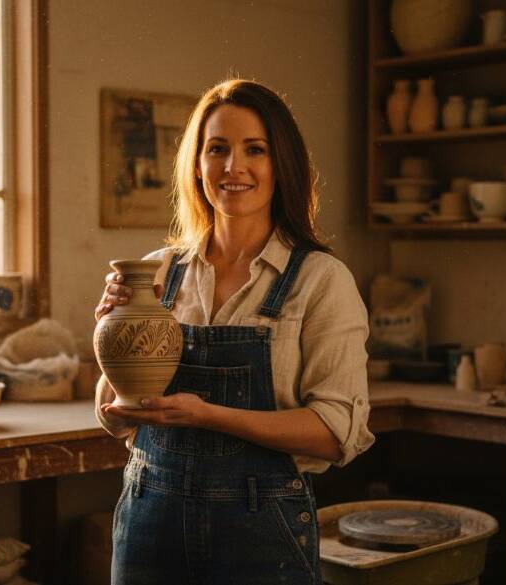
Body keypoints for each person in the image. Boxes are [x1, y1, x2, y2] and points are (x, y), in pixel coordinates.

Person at [94, 79, 373, 585]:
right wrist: (112, 334)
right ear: (197, 164)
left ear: (281, 163)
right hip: (149, 521)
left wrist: (209, 416)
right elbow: (117, 421)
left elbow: (335, 433)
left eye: (255, 150)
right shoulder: (157, 272)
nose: (233, 167)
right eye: (217, 149)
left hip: (261, 530)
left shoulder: (320, 281)